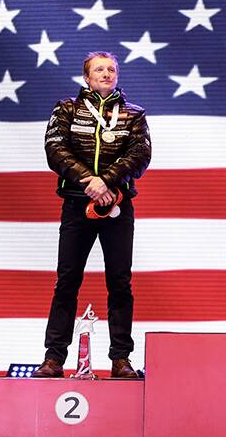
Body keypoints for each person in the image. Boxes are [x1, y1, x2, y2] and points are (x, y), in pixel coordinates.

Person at [33, 51, 151, 378]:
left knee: (120, 282)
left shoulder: (133, 114)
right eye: (99, 69)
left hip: (117, 205)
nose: (106, 73)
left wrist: (108, 182)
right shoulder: (67, 109)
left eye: (111, 69)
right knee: (67, 281)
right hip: (76, 204)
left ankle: (121, 359)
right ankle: (54, 358)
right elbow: (55, 150)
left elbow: (141, 154)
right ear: (87, 77)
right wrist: (90, 182)